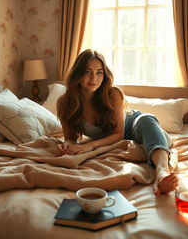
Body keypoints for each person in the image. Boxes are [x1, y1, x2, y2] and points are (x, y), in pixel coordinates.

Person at [57, 49, 178, 195]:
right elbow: (70, 137)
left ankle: (161, 173)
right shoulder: (64, 102)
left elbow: (118, 134)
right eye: (87, 72)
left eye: (99, 72)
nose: (93, 78)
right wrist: (67, 146)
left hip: (135, 127)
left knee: (147, 119)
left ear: (104, 74)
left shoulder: (113, 94)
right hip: (114, 141)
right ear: (77, 73)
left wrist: (90, 145)